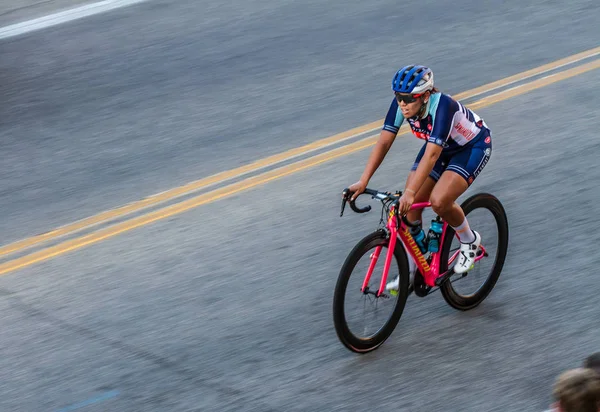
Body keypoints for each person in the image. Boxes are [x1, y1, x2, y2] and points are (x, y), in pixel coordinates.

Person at [345, 65, 493, 290]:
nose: (402, 103)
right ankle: (415, 269)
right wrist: (363, 180)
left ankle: (469, 240)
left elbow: (432, 155)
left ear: (425, 96)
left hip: (471, 147)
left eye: (408, 98)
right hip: (440, 147)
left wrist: (411, 192)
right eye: (398, 97)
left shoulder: (444, 107)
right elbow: (384, 141)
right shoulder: (400, 105)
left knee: (439, 201)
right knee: (409, 208)